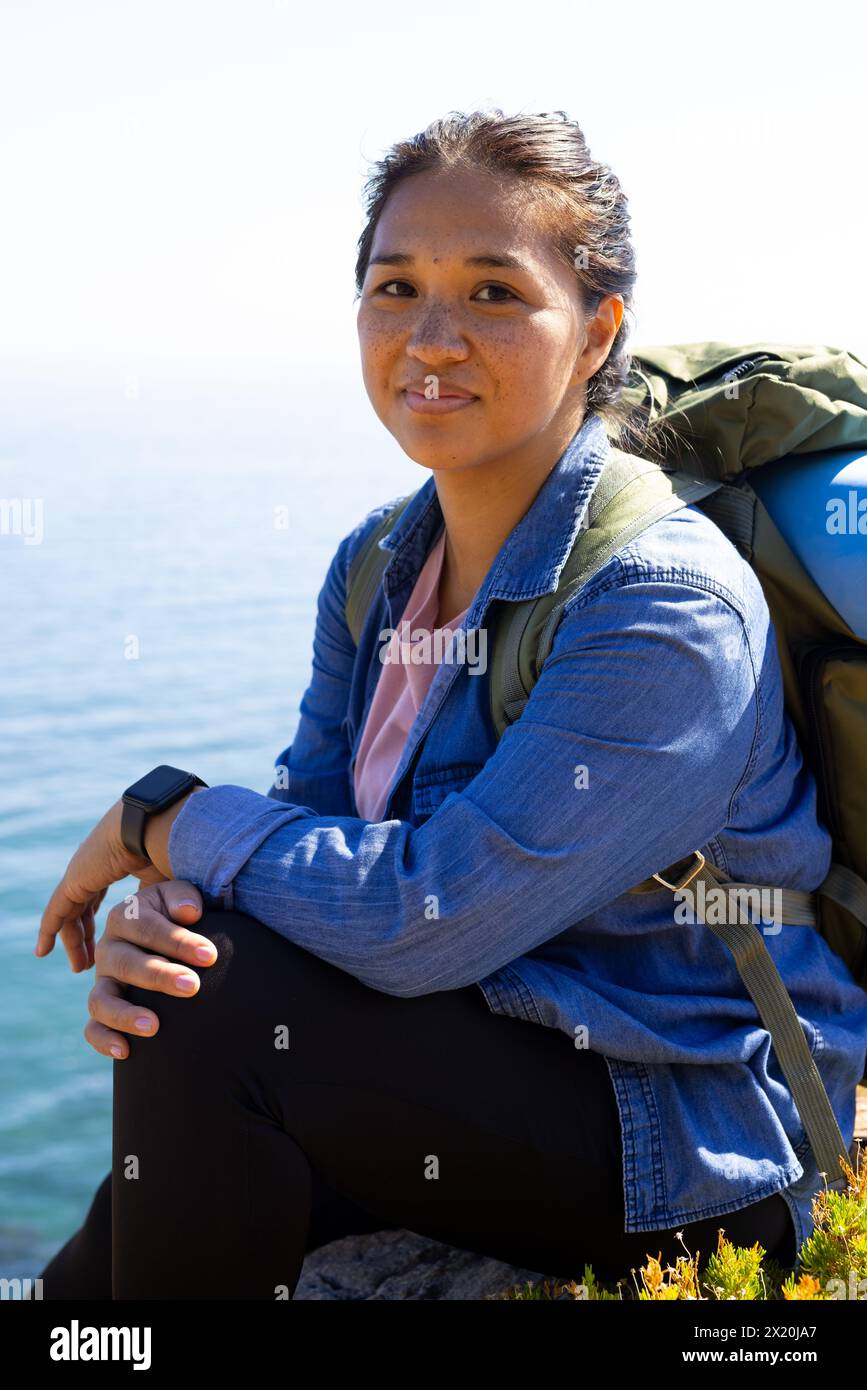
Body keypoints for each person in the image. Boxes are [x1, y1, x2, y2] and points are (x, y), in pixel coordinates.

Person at [33, 109, 867, 1300]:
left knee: (217, 1011)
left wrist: (159, 820)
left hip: (695, 1140)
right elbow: (306, 839)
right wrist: (164, 913)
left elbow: (429, 915)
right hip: (495, 1059)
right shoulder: (378, 566)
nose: (431, 336)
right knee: (174, 1054)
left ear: (597, 334)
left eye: (492, 292)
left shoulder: (663, 604)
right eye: (395, 286)